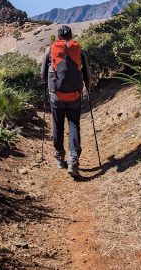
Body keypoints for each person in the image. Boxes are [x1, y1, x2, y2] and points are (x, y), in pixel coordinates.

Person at [40, 25, 91, 177]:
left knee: (58, 124)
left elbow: (43, 75)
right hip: (74, 95)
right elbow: (87, 74)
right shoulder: (80, 51)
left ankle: (60, 157)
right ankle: (73, 159)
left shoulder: (50, 50)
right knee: (74, 124)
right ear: (71, 35)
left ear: (58, 36)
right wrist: (87, 89)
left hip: (56, 96)